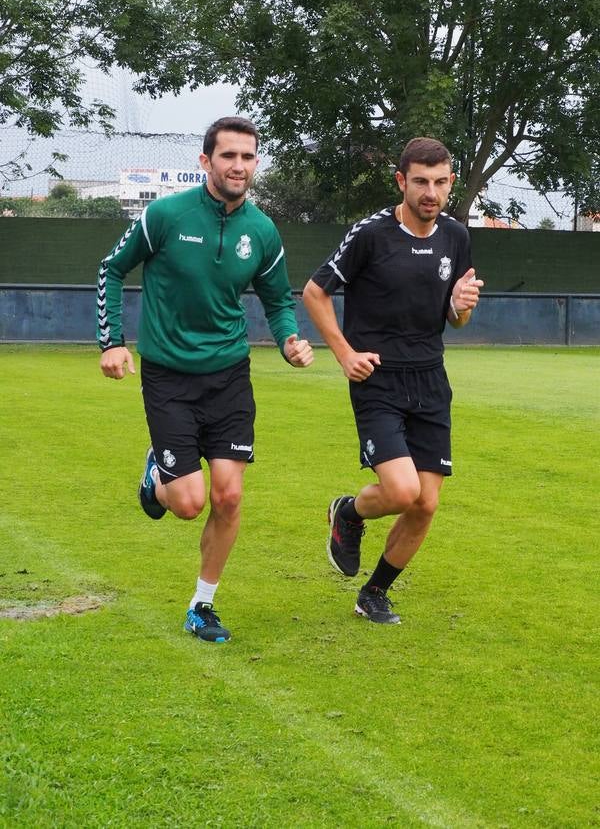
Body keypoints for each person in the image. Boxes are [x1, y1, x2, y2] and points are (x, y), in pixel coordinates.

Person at [97, 115, 313, 643]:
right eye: (228, 156)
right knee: (189, 504)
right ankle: (157, 475)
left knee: (229, 497)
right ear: (206, 161)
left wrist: (289, 339)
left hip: (229, 376)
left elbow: (278, 298)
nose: (238, 165)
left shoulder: (261, 230)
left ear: (255, 163)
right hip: (169, 375)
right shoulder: (165, 215)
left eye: (247, 157)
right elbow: (111, 268)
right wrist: (112, 341)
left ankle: (202, 605)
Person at [302, 137, 483, 625]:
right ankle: (350, 513)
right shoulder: (370, 235)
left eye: (441, 182)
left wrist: (461, 309)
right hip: (378, 377)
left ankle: (374, 592)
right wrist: (344, 354)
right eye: (421, 181)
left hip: (430, 378)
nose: (432, 192)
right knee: (402, 491)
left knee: (426, 503)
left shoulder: (456, 237)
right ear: (401, 181)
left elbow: (454, 318)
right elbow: (315, 293)